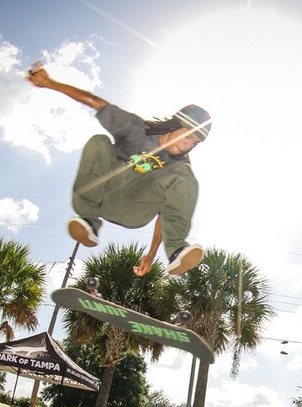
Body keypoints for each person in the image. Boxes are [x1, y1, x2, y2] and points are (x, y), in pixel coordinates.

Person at [26, 63, 210, 275]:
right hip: (104, 195)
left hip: (134, 210)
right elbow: (95, 102)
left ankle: (176, 250)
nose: (188, 145)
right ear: (176, 125)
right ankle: (89, 222)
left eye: (195, 143)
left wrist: (151, 254)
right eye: (188, 136)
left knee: (184, 176)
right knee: (99, 142)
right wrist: (49, 83)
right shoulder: (135, 128)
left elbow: (165, 213)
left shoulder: (179, 168)